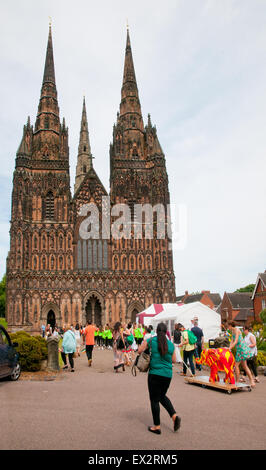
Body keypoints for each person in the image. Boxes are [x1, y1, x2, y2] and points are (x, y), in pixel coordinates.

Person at [138, 322, 181, 434]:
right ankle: (174, 416)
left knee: (154, 399)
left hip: (155, 374)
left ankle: (157, 426)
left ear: (156, 331)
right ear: (166, 331)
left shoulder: (151, 341)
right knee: (161, 396)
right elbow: (174, 360)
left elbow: (139, 350)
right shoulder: (170, 344)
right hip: (167, 375)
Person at [228, 321, 255, 387]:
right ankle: (252, 381)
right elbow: (232, 340)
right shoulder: (232, 331)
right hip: (239, 350)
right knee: (245, 366)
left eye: (228, 326)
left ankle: (237, 382)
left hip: (242, 349)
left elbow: (236, 340)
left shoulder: (237, 330)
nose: (228, 327)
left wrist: (230, 348)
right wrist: (229, 347)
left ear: (231, 326)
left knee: (236, 365)